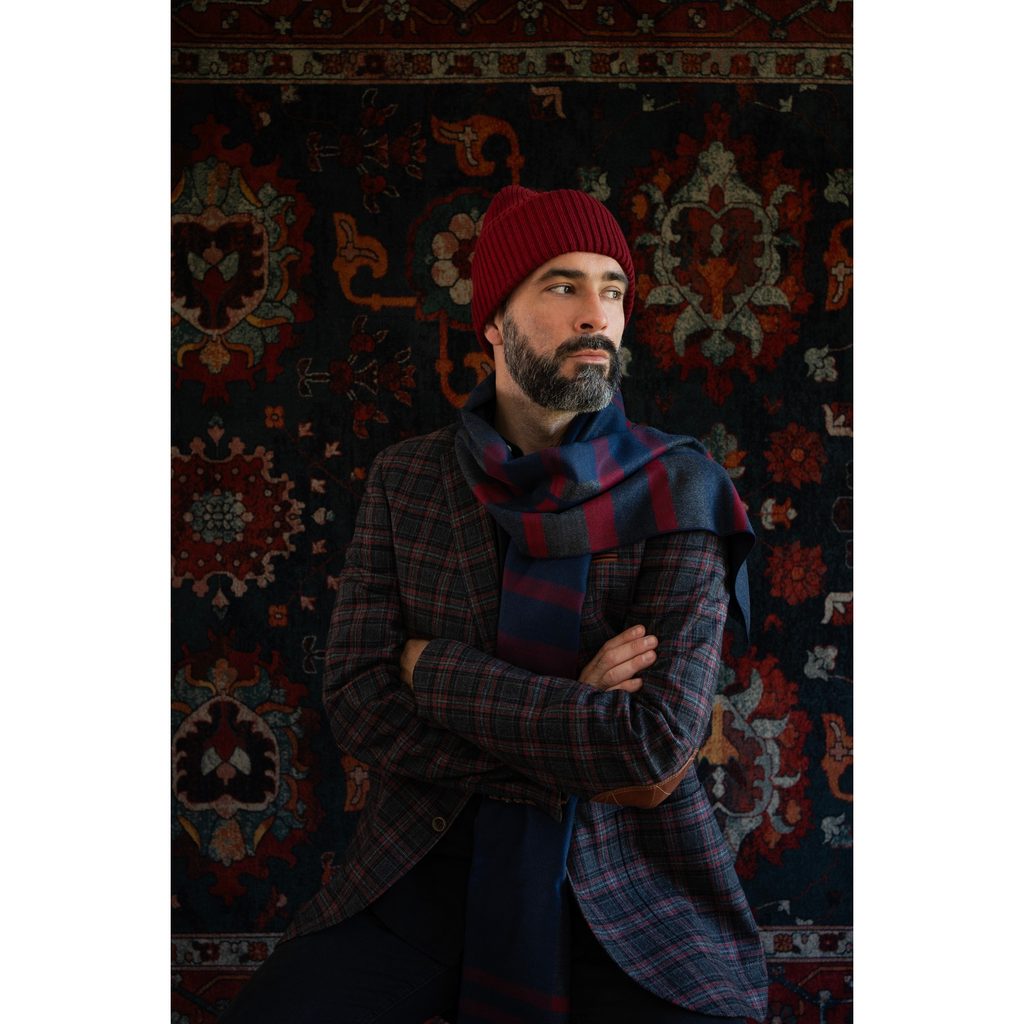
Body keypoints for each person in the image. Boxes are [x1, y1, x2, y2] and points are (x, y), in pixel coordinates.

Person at [220, 186, 768, 1023]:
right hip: (424, 870)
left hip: (629, 888)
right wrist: (578, 733)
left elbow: (653, 745)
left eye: (613, 290)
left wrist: (435, 671)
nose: (597, 316)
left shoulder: (682, 489)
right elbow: (359, 700)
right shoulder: (408, 480)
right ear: (493, 323)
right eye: (562, 285)